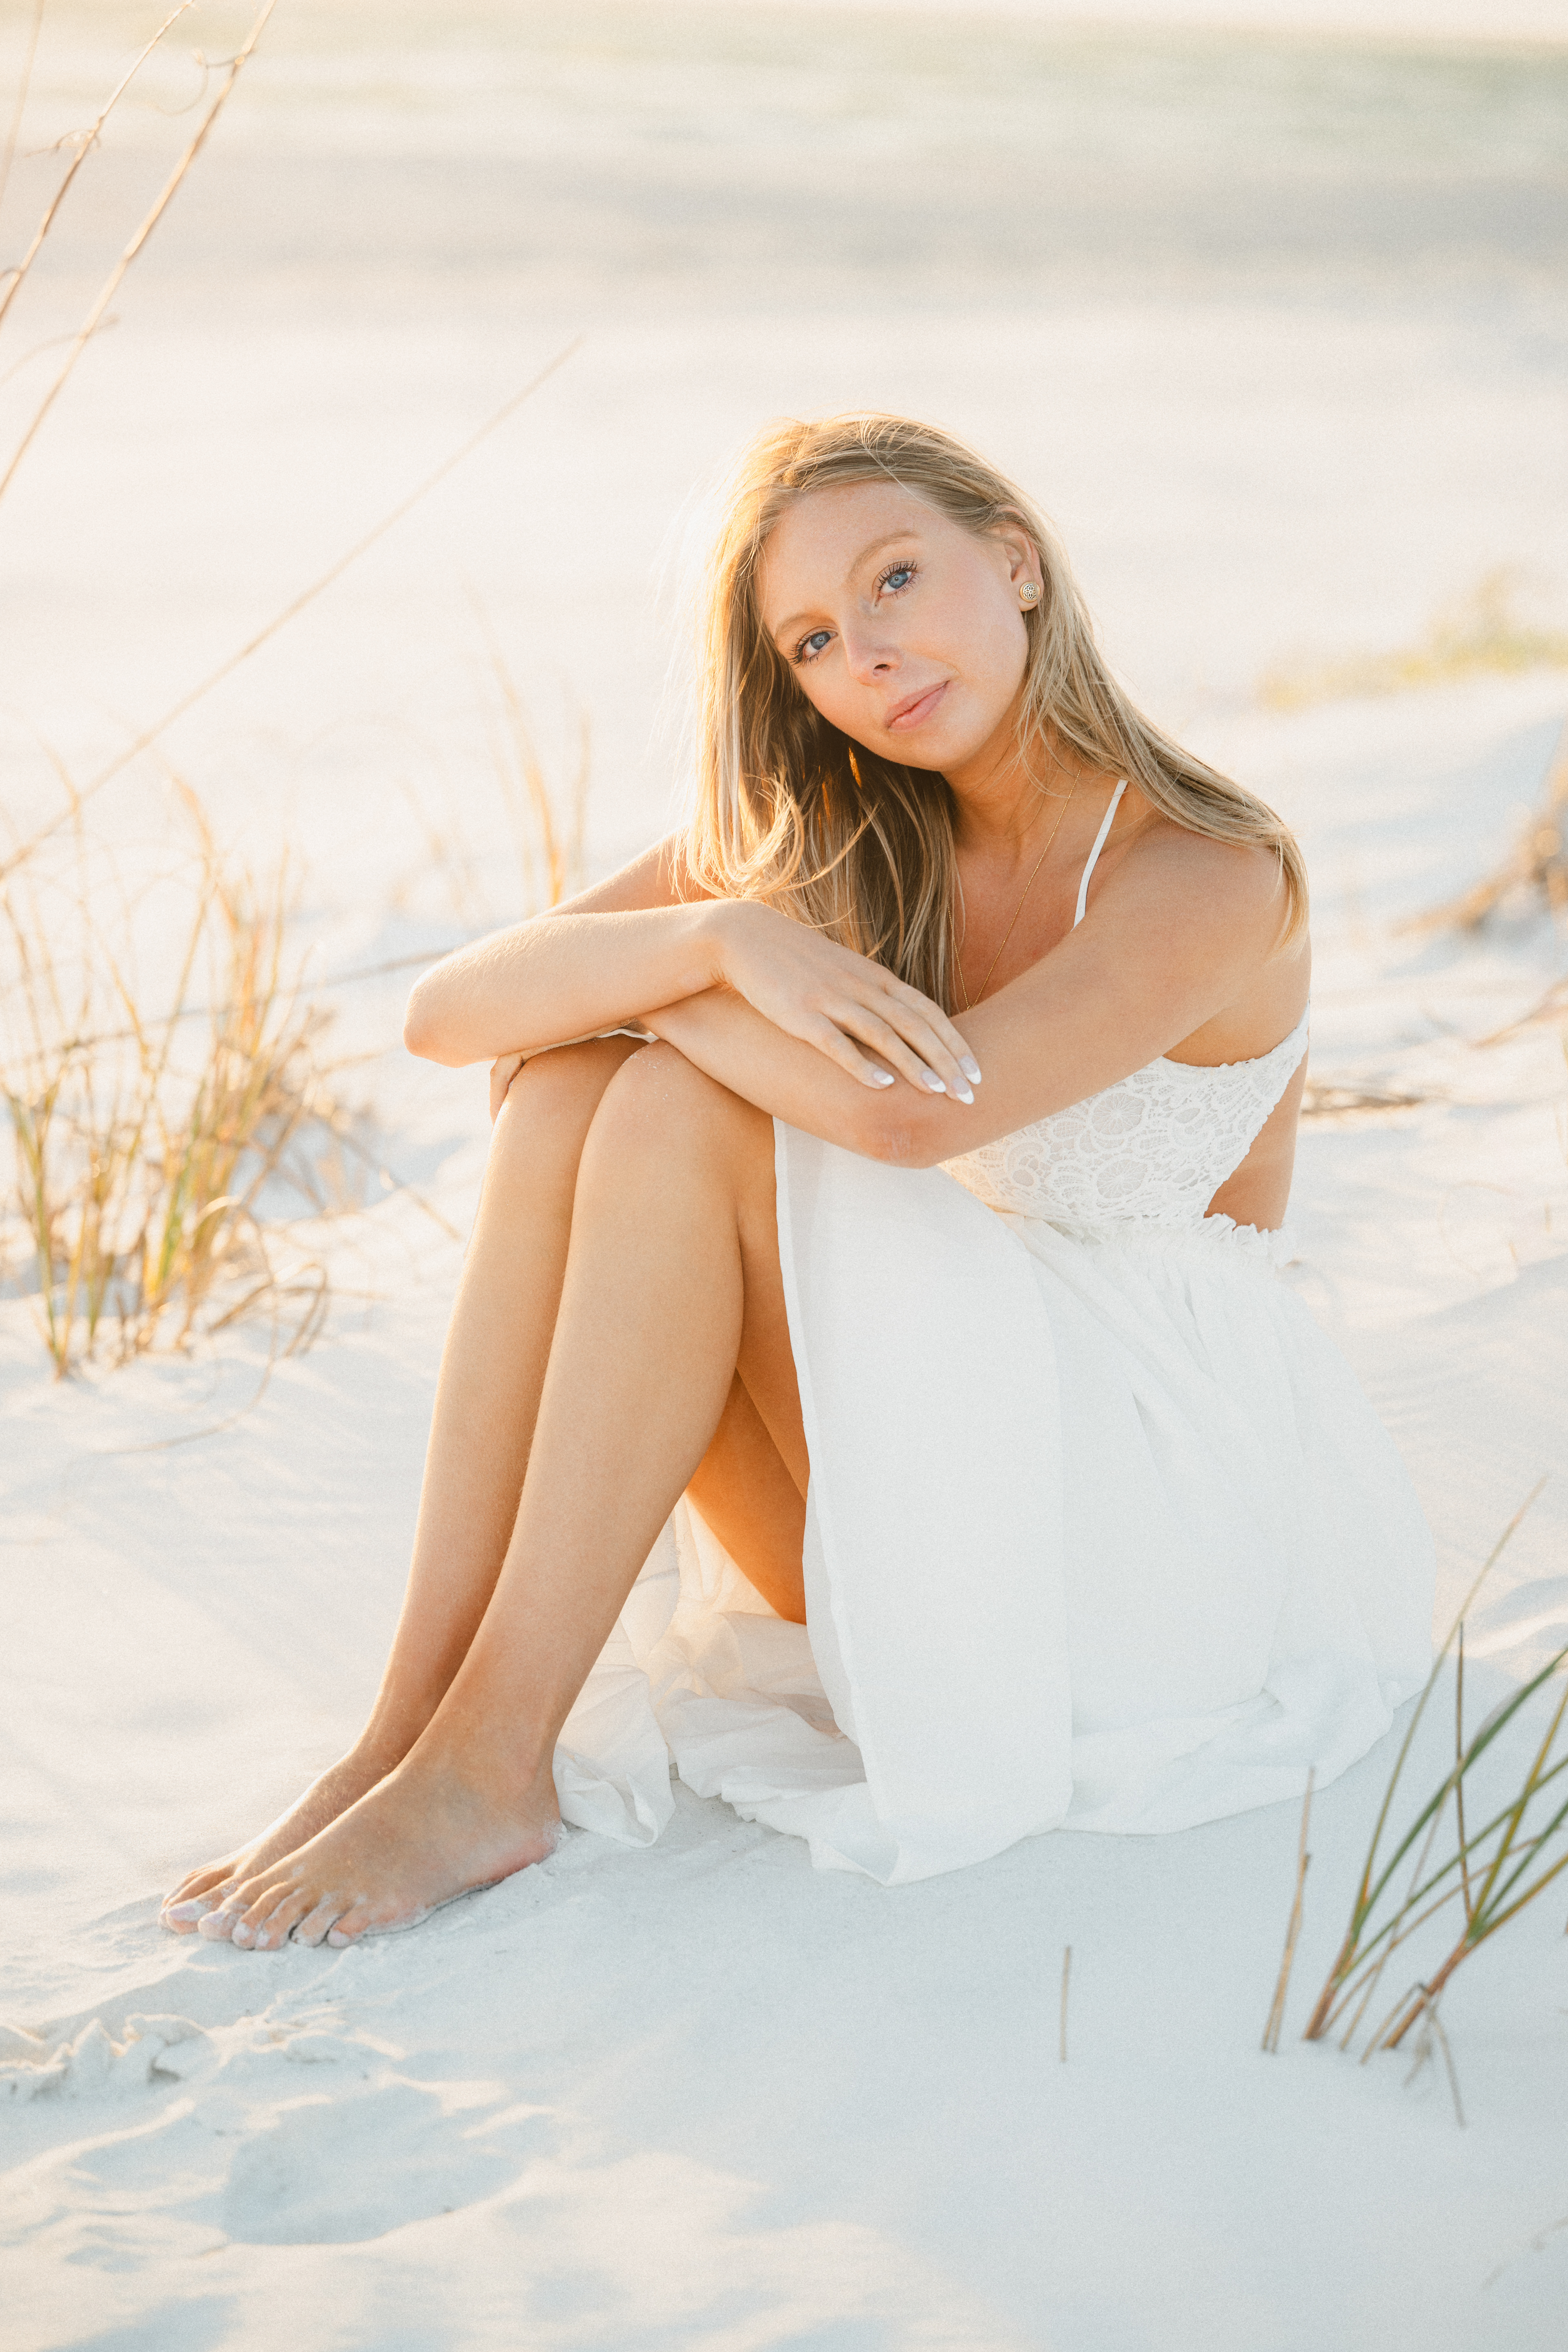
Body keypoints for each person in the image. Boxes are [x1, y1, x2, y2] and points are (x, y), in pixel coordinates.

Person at [161, 412, 1433, 1948]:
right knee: (573, 1084)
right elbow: (452, 1016)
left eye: (898, 580)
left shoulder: (1209, 870)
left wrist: (676, 996)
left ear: (1016, 561)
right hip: (951, 1453)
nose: (872, 657)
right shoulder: (837, 837)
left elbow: (912, 1126)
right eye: (819, 639)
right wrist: (712, 936)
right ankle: (415, 1728)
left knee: (671, 1102)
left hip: (1153, 1547)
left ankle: (493, 1759)